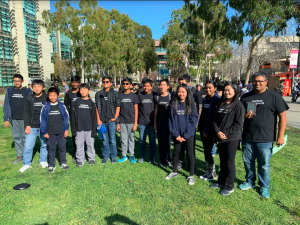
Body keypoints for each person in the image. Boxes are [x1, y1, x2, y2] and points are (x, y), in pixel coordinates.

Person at [239, 72, 289, 199]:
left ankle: (264, 186)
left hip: (265, 138)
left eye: (260, 81)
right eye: (255, 81)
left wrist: (280, 136)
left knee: (263, 164)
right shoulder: (246, 97)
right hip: (248, 136)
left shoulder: (274, 96)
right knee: (247, 162)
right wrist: (245, 117)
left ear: (266, 82)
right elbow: (239, 117)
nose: (257, 83)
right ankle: (249, 182)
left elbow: (282, 116)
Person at [211, 82, 245, 196]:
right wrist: (218, 132)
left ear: (235, 91)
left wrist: (224, 133)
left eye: (229, 90)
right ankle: (221, 182)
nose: (226, 92)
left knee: (229, 162)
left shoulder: (238, 105)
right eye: (225, 90)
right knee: (222, 161)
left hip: (232, 138)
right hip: (221, 137)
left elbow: (238, 124)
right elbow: (214, 121)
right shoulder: (222, 103)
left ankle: (229, 186)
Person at [166, 84, 198, 185]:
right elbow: (171, 121)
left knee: (190, 154)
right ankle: (174, 171)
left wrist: (185, 135)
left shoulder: (191, 105)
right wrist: (176, 135)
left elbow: (193, 121)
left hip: (188, 135)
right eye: (179, 91)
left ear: (187, 93)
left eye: (183, 92)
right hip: (177, 135)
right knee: (176, 153)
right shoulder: (173, 105)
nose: (181, 94)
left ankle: (191, 175)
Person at [19, 79, 48, 173]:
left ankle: (43, 160)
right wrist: (27, 125)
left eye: (39, 86)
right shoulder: (29, 98)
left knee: (44, 144)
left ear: (43, 88)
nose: (37, 88)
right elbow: (26, 113)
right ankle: (26, 163)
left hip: (44, 126)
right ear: (32, 87)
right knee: (28, 146)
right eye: (35, 86)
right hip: (32, 126)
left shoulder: (47, 98)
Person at [3, 74, 32, 164]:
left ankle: (27, 156)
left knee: (25, 137)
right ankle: (20, 155)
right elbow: (6, 104)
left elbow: (31, 105)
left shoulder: (27, 91)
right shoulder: (10, 91)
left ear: (22, 81)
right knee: (17, 137)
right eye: (15, 81)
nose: (16, 82)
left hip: (25, 118)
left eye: (18, 81)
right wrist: (5, 118)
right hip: (14, 118)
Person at [40, 87, 69, 173]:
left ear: (58, 95)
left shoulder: (62, 106)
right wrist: (44, 131)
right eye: (50, 95)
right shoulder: (45, 107)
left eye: (54, 95)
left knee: (62, 147)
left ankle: (63, 162)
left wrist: (66, 129)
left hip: (61, 131)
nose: (52, 97)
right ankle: (51, 165)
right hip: (50, 133)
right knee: (51, 149)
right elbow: (42, 120)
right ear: (48, 96)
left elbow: (66, 118)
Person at [71, 83, 98, 167]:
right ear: (79, 91)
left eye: (85, 89)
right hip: (79, 128)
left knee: (90, 144)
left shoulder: (91, 103)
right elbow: (72, 117)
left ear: (88, 91)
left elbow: (94, 118)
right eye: (81, 90)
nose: (83, 91)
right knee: (79, 144)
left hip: (89, 128)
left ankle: (91, 158)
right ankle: (80, 159)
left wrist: (94, 130)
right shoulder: (76, 102)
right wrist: (73, 130)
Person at [95, 76, 121, 164]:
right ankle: (105, 156)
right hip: (102, 121)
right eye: (104, 81)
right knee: (105, 140)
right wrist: (98, 120)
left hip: (112, 121)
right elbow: (97, 108)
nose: (105, 83)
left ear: (110, 83)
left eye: (107, 82)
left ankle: (113, 156)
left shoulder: (115, 93)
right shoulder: (98, 94)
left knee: (112, 140)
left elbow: (118, 106)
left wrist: (115, 118)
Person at [199, 81, 220, 181]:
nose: (207, 90)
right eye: (206, 88)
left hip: (210, 130)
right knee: (206, 151)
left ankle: (213, 173)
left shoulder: (217, 100)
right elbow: (203, 114)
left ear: (215, 88)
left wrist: (207, 130)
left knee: (208, 150)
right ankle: (208, 171)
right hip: (202, 128)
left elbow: (214, 117)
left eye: (210, 88)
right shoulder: (205, 99)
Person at [117, 77, 139, 163]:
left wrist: (135, 123)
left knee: (131, 139)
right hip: (122, 121)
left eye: (127, 84)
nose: (125, 85)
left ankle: (132, 155)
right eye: (124, 83)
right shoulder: (120, 95)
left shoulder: (134, 96)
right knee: (123, 139)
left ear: (130, 85)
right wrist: (118, 123)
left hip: (131, 121)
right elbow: (118, 109)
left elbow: (136, 110)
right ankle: (124, 155)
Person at [137, 79, 156, 164]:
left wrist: (155, 122)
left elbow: (156, 109)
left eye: (148, 86)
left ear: (151, 87)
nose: (146, 87)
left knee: (152, 140)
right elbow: (137, 108)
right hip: (142, 122)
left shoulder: (154, 95)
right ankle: (142, 156)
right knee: (142, 140)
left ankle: (152, 157)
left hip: (151, 122)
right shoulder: (140, 95)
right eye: (145, 86)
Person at [154, 79, 172, 167]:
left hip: (168, 123)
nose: (161, 87)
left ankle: (168, 159)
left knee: (167, 142)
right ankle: (161, 159)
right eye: (160, 85)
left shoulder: (171, 97)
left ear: (168, 86)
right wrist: (154, 123)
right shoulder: (157, 97)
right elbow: (156, 110)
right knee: (160, 142)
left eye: (164, 85)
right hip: (159, 122)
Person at [64, 75, 81, 162]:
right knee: (74, 136)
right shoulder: (68, 93)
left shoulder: (82, 92)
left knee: (83, 136)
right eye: (73, 82)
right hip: (73, 118)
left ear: (79, 83)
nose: (74, 84)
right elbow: (66, 105)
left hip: (82, 118)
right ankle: (75, 154)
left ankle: (82, 153)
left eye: (76, 82)